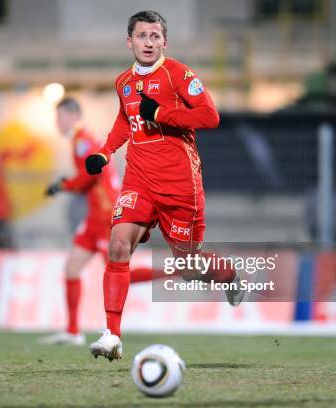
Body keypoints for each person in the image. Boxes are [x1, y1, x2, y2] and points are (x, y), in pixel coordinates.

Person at [84, 11, 246, 361]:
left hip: (180, 186)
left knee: (188, 268)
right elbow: (124, 121)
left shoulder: (178, 75)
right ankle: (112, 335)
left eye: (155, 36)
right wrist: (105, 151)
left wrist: (161, 114)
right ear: (130, 41)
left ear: (164, 42)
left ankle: (228, 273)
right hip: (139, 180)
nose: (148, 42)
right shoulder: (123, 82)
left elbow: (209, 116)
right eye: (142, 36)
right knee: (117, 246)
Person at [40, 97, 155, 346]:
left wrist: (63, 185)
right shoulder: (79, 142)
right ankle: (72, 331)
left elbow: (88, 177)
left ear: (72, 116)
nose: (57, 122)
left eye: (59, 117)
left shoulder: (83, 142)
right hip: (94, 216)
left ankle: (177, 271)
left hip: (105, 215)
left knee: (120, 272)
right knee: (72, 268)